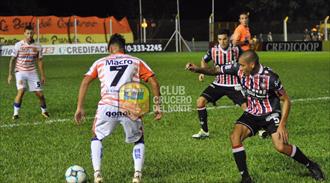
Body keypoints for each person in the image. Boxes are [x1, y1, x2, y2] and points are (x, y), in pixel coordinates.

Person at [186, 50, 325, 183]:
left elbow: (286, 100)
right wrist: (197, 69)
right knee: (235, 137)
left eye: (242, 65)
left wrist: (282, 125)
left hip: (270, 113)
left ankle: (311, 165)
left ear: (252, 65)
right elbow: (214, 70)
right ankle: (246, 178)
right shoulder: (238, 68)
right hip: (252, 112)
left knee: (281, 146)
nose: (239, 68)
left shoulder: (270, 77)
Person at [74, 34, 162, 183]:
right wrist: (158, 105)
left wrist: (79, 107)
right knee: (138, 139)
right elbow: (153, 82)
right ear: (124, 48)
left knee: (96, 136)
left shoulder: (100, 62)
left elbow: (85, 82)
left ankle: (97, 174)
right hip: (130, 106)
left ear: (110, 48)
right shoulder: (136, 61)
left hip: (107, 105)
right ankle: (137, 175)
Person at [192, 29, 246, 139]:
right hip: (218, 84)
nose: (222, 41)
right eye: (220, 39)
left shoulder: (236, 49)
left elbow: (246, 60)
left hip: (234, 84)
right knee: (200, 101)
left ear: (229, 38)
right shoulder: (213, 50)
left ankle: (261, 129)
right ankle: (204, 131)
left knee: (248, 108)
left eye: (225, 39)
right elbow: (204, 60)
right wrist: (202, 72)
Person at [7, 25, 49, 119]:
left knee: (40, 94)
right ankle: (15, 114)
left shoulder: (37, 46)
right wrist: (10, 74)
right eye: (27, 33)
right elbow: (12, 59)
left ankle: (44, 111)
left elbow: (40, 61)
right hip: (20, 72)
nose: (29, 35)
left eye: (31, 33)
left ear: (33, 33)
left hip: (32, 72)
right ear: (24, 34)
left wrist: (42, 75)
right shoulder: (18, 45)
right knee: (21, 91)